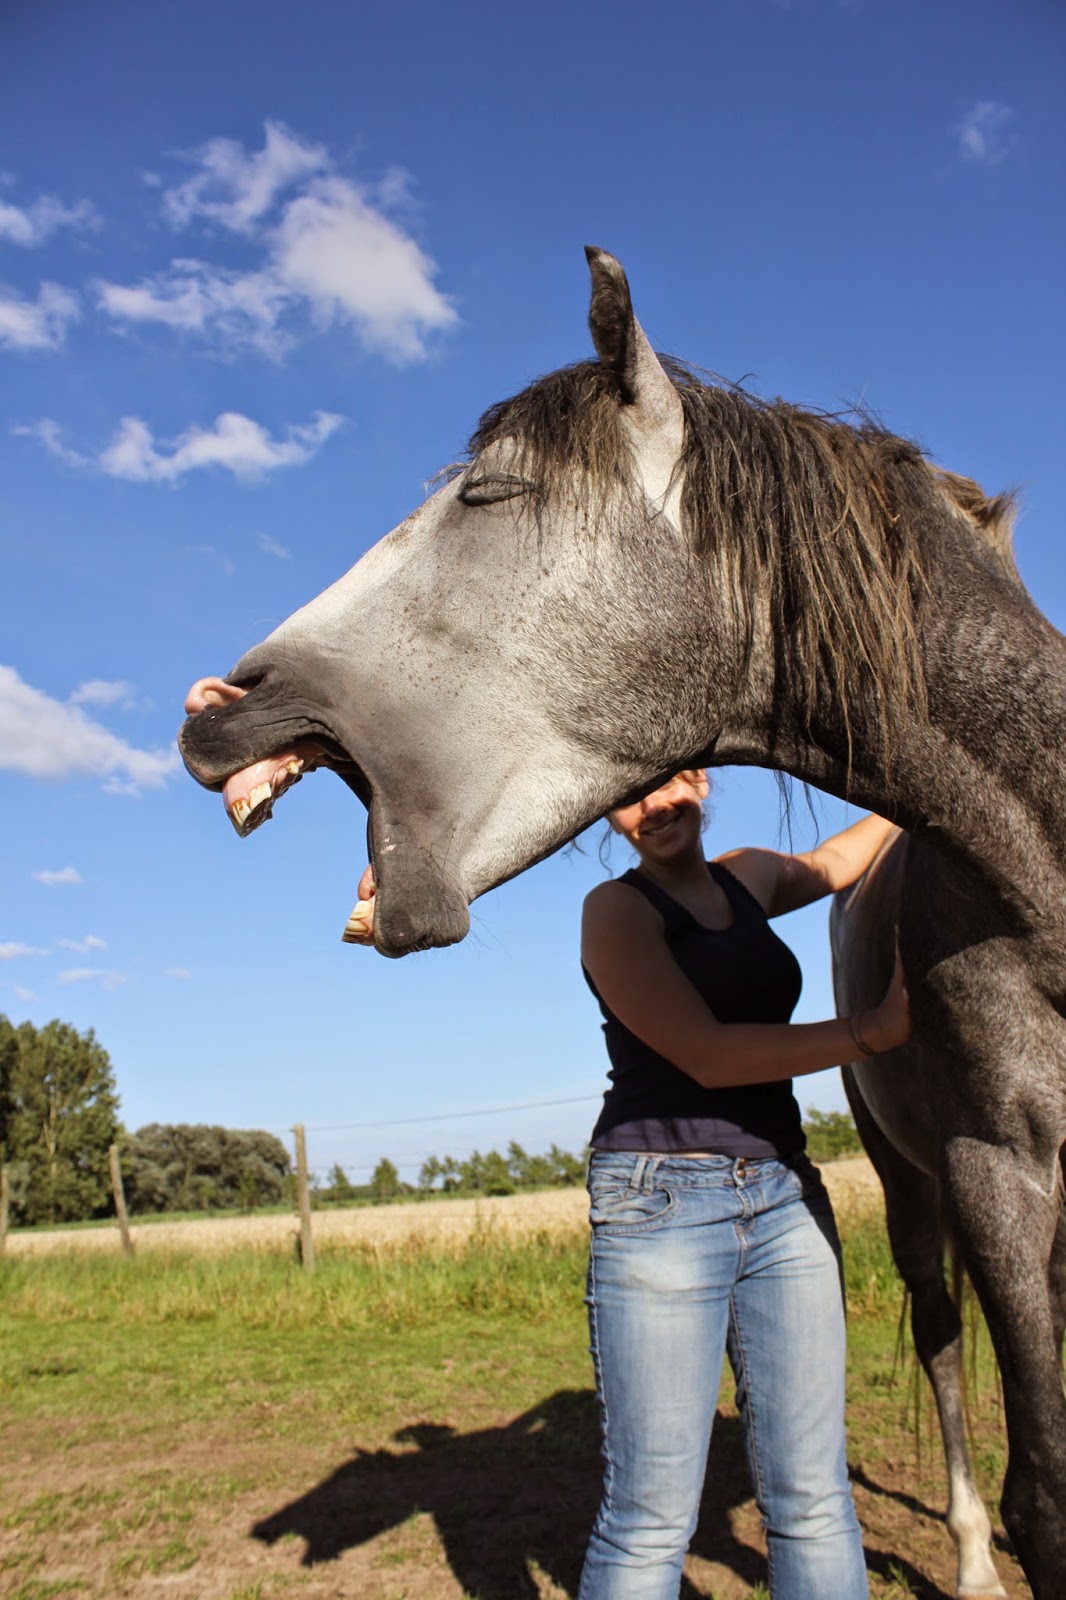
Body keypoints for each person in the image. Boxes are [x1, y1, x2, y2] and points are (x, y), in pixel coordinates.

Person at [577, 770, 909, 1600]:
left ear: (699, 778)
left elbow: (836, 860)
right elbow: (709, 1055)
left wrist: (925, 795)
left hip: (784, 1193)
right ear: (609, 815)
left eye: (665, 784)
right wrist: (874, 1031)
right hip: (659, 1201)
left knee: (814, 1495)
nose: (653, 807)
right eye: (629, 797)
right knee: (650, 1519)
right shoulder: (614, 912)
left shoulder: (749, 876)